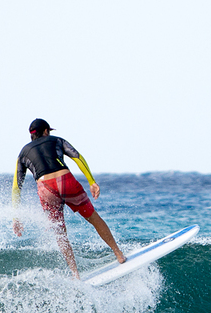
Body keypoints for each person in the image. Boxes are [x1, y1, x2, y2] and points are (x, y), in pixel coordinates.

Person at [12, 118, 126, 277]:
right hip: (66, 181)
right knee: (94, 218)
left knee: (60, 233)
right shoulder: (57, 140)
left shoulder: (23, 153)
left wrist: (16, 216)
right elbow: (77, 157)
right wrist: (92, 181)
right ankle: (119, 254)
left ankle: (75, 273)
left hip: (46, 188)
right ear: (46, 131)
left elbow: (17, 186)